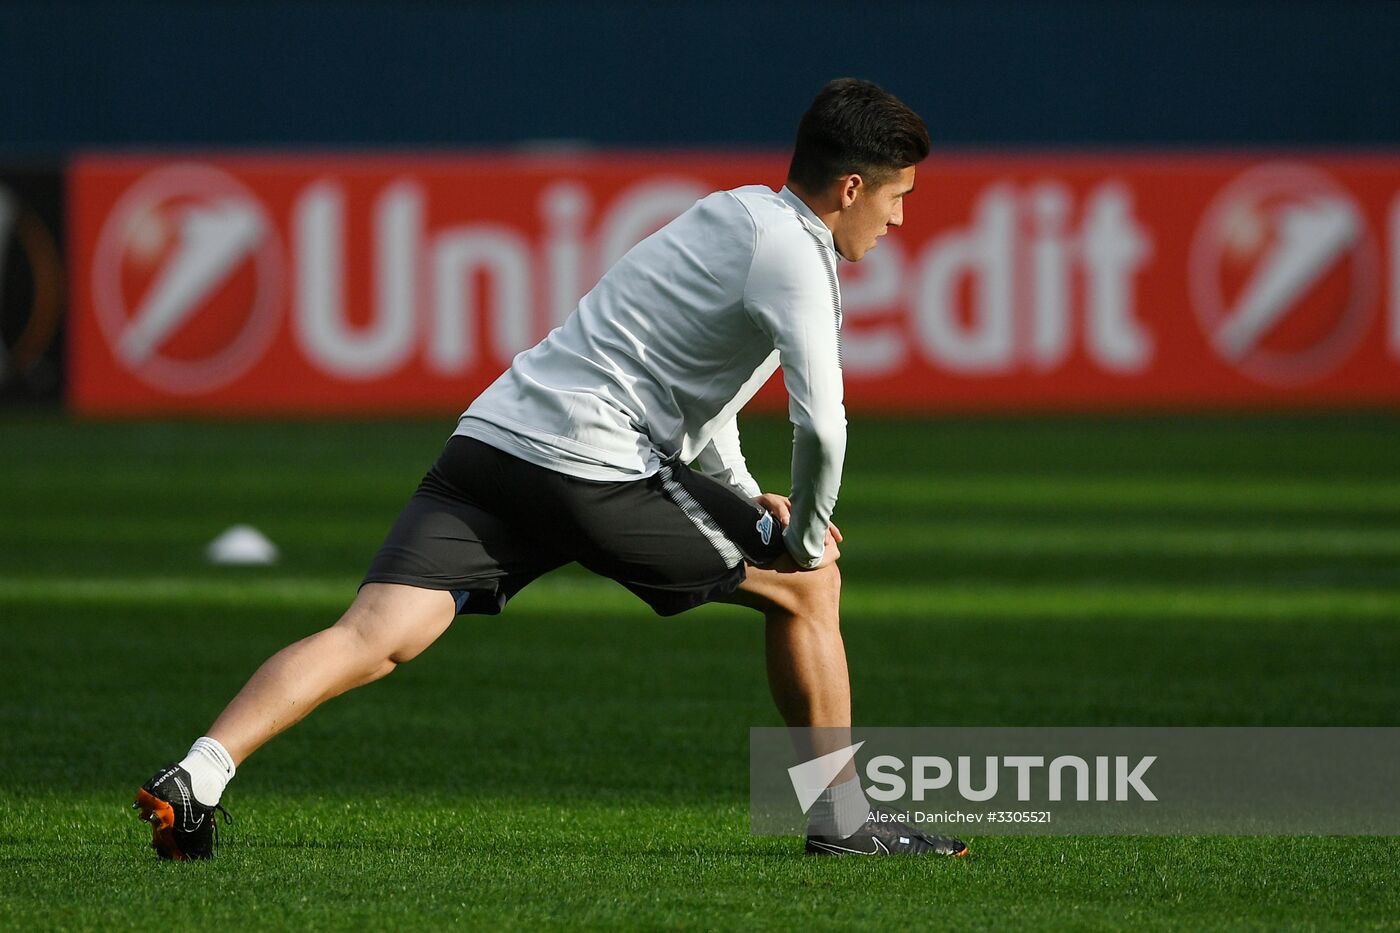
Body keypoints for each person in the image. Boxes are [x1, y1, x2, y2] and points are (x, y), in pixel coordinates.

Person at [134, 77, 966, 859]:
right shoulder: (799, 258)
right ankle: (842, 818)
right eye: (899, 195)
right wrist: (806, 535)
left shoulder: (733, 216)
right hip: (592, 463)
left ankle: (198, 773)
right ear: (851, 188)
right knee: (809, 584)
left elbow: (703, 400)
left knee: (376, 633)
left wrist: (748, 498)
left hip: (492, 442)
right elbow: (822, 422)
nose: (900, 219)